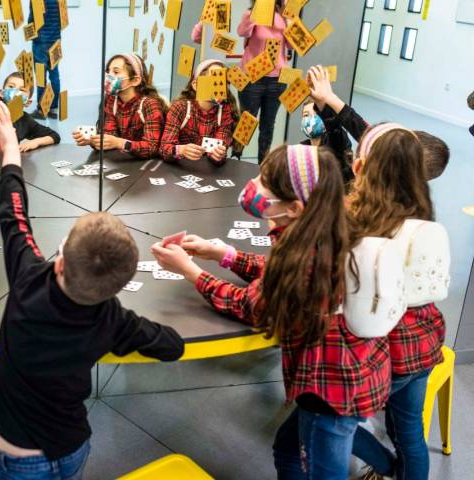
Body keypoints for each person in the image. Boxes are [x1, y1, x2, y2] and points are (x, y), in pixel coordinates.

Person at [151, 145, 390, 479]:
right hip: (353, 374)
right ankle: (394, 466)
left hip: (329, 386)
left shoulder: (303, 251)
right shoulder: (324, 225)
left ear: (293, 207)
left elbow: (252, 306)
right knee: (290, 448)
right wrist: (224, 254)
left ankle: (394, 468)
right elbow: (277, 273)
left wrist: (191, 271)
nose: (254, 186)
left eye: (264, 182)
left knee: (322, 452)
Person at [0, 102, 184, 479]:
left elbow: (12, 213)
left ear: (58, 262)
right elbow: (171, 345)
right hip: (73, 445)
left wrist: (10, 151)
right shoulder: (113, 319)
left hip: (23, 458)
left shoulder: (28, 281)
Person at [348, 124, 445, 480]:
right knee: (410, 435)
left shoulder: (368, 222)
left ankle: (390, 468)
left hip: (391, 352)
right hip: (425, 345)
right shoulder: (421, 215)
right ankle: (402, 471)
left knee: (329, 419)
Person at [307, 65, 450, 180]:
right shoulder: (384, 165)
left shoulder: (360, 190)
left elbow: (359, 129)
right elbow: (358, 126)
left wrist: (328, 99)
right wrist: (325, 101)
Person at [72, 54, 166, 159]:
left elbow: (152, 148)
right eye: (108, 71)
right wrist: (93, 140)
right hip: (123, 162)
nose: (108, 76)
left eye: (116, 72)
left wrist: (119, 143)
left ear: (135, 80)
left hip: (148, 166)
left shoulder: (150, 105)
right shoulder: (112, 100)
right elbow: (110, 136)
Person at [237, 0, 290, 163]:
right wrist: (256, 12)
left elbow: (293, 45)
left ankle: (263, 166)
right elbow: (242, 32)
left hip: (277, 80)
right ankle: (235, 156)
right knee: (246, 121)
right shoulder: (251, 13)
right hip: (252, 78)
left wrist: (288, 17)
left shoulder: (285, 17)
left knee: (268, 125)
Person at [159, 59, 237, 164]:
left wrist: (218, 155)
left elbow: (219, 154)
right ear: (196, 85)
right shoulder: (180, 108)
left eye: (223, 82)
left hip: (206, 173)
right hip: (178, 169)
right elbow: (164, 148)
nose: (219, 86)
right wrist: (181, 150)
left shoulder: (225, 112)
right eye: (214, 79)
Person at [0, 70, 61, 152]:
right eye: (11, 87)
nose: (15, 92)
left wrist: (35, 142)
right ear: (2, 93)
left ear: (28, 102)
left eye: (22, 90)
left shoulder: (25, 120)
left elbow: (55, 136)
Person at [300, 98, 354, 183]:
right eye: (306, 115)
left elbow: (335, 131)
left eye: (316, 114)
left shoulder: (336, 142)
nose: (311, 119)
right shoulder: (301, 150)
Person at [29, 0, 62, 120]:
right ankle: (53, 109)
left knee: (40, 77)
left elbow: (32, 20)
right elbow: (62, 20)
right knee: (54, 75)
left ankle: (41, 110)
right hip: (56, 40)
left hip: (40, 42)